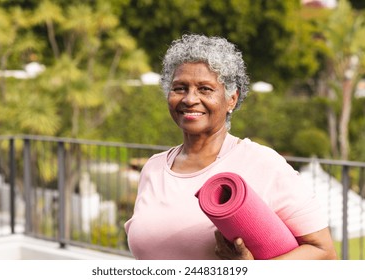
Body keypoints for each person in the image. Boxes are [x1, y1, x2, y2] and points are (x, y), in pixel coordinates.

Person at [124, 34, 337, 260]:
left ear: (231, 100)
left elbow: (324, 252)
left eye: (205, 89)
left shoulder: (262, 163)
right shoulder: (153, 168)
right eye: (180, 88)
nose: (189, 99)